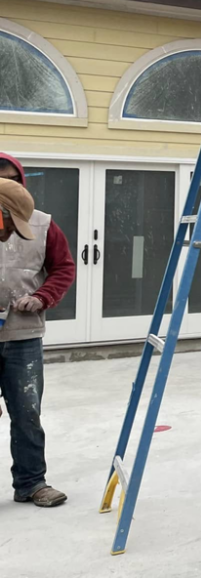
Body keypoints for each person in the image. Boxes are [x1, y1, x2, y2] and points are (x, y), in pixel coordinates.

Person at [0, 154, 76, 508]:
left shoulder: (42, 224)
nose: (8, 184)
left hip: (23, 336)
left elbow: (63, 268)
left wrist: (42, 296)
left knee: (27, 413)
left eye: (14, 178)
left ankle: (31, 483)